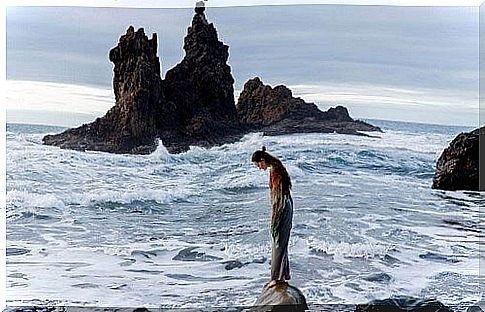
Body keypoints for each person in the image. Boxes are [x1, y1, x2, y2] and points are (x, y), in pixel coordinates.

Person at [252, 146, 293, 287]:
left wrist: (274, 219)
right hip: (288, 204)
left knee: (278, 241)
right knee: (282, 242)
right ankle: (284, 275)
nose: (258, 167)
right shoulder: (276, 166)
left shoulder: (275, 171)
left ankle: (275, 278)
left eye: (258, 164)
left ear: (262, 160)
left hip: (283, 206)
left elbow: (277, 198)